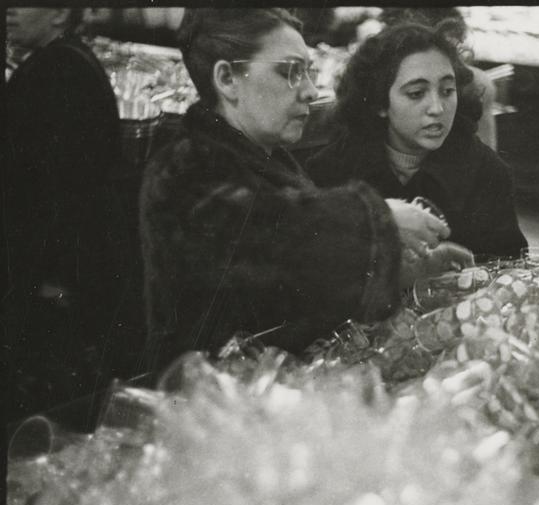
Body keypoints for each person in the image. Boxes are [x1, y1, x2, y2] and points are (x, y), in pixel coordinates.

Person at [139, 9, 471, 371]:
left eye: (308, 72)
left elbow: (298, 282)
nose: (311, 91)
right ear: (227, 79)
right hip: (207, 393)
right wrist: (383, 219)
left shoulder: (270, 159)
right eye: (290, 72)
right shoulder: (185, 168)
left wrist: (406, 274)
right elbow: (270, 239)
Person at [306, 23, 526, 258]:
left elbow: (508, 266)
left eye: (447, 90)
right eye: (416, 94)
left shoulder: (486, 171)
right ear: (379, 103)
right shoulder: (332, 169)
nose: (437, 108)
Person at [5, 8, 124, 423]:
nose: (10, 9)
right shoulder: (65, 61)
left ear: (59, 13)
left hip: (49, 276)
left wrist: (49, 279)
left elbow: (56, 194)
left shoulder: (57, 72)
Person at [378, 8, 499, 151]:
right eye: (416, 93)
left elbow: (486, 152)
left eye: (452, 52)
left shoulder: (475, 84)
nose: (436, 109)